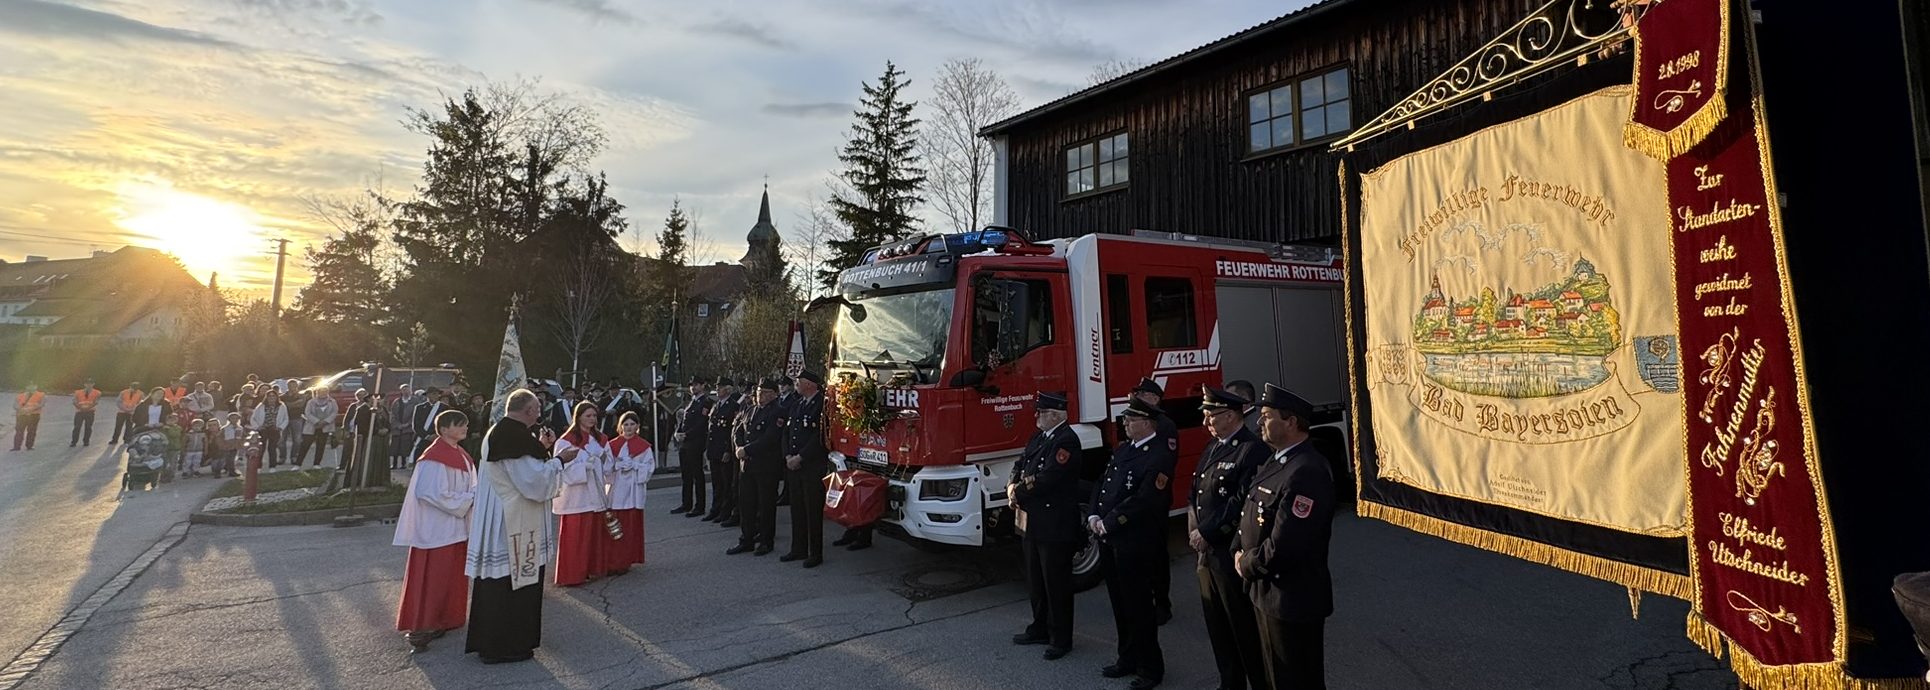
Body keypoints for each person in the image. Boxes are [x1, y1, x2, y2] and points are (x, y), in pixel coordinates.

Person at [1236, 384, 1336, 690]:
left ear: (1291, 422)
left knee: (1295, 679)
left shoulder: (1306, 470)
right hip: (1267, 593)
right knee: (1274, 676)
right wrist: (1238, 548)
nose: (1259, 422)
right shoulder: (1278, 459)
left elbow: (1287, 545)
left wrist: (1246, 564)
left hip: (1291, 599)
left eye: (1267, 416)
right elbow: (1249, 510)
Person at [465, 389, 563, 665]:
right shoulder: (514, 437)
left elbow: (521, 467)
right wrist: (559, 461)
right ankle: (503, 646)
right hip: (510, 523)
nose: (539, 414)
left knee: (496, 583)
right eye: (537, 409)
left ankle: (490, 642)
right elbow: (533, 483)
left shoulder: (501, 431)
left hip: (500, 515)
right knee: (510, 583)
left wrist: (542, 448)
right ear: (529, 411)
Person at [1090, 397, 1173, 690]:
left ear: (1147, 423)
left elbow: (1146, 499)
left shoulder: (1158, 456)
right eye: (1125, 419)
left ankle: (1150, 667)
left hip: (1134, 541)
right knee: (1120, 603)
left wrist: (1111, 521)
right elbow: (1102, 484)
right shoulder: (1124, 450)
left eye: (1130, 419)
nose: (1125, 423)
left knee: (1139, 606)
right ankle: (1127, 657)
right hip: (1110, 539)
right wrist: (1093, 514)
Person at [1191, 388, 1270, 690]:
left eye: (1211, 415)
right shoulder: (1213, 447)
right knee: (1218, 626)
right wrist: (1194, 526)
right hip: (1207, 554)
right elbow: (1197, 491)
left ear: (1231, 416)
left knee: (1243, 627)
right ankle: (1230, 683)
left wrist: (1208, 532)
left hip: (1229, 550)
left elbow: (1241, 502)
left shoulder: (1251, 450)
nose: (1206, 421)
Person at [1008, 391, 1085, 660]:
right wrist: (1011, 483)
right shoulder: (1039, 437)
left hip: (1054, 524)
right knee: (1036, 580)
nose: (1036, 416)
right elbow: (1021, 462)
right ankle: (1039, 627)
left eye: (1040, 412)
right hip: (1032, 522)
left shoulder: (1066, 441)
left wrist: (1018, 492)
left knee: (1056, 584)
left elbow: (1049, 478)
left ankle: (1061, 638)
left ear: (1055, 415)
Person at [395, 409, 476, 653]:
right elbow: (428, 492)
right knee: (434, 576)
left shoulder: (460, 454)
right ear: (443, 429)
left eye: (465, 424)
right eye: (459, 424)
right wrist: (467, 500)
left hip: (455, 525)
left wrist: (472, 497)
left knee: (450, 574)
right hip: (436, 527)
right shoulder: (433, 458)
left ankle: (446, 617)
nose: (465, 427)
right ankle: (424, 623)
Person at [1130, 376, 1179, 625]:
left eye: (1142, 394)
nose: (1137, 397)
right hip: (1139, 499)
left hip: (1156, 500)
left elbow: (1165, 464)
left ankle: (1162, 604)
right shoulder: (1139, 421)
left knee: (1157, 554)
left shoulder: (1165, 425)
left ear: (1155, 398)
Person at [551, 401, 612, 587]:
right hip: (576, 497)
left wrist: (602, 458)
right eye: (588, 416)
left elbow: (609, 465)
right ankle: (572, 574)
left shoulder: (601, 439)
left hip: (594, 493)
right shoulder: (566, 441)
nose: (592, 419)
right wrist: (586, 466)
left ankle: (591, 569)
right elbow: (562, 469)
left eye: (594, 416)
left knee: (592, 535)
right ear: (578, 417)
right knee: (575, 537)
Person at [726, 379, 783, 556]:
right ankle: (746, 539)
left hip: (765, 466)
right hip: (747, 465)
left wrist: (747, 449)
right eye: (758, 392)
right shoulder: (750, 409)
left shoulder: (777, 412)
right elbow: (738, 431)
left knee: (765, 506)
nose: (760, 395)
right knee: (746, 504)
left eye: (764, 392)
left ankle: (766, 541)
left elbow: (770, 438)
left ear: (773, 394)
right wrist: (739, 447)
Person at [780, 371, 830, 568]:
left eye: (799, 382)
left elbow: (820, 436)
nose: (796, 385)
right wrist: (787, 456)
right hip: (793, 464)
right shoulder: (797, 404)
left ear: (809, 384)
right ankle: (798, 548)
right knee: (797, 508)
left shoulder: (821, 405)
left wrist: (801, 457)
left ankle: (815, 552)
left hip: (811, 465)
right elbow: (787, 432)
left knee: (812, 510)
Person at [604, 411, 654, 571]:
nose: (629, 427)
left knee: (630, 526)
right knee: (615, 526)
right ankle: (613, 559)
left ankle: (626, 559)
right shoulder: (612, 445)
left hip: (633, 490)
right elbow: (605, 468)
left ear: (637, 426)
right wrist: (617, 465)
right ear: (620, 426)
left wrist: (635, 465)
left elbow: (649, 467)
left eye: (632, 424)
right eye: (626, 424)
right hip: (617, 489)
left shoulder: (644, 447)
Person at [704, 379, 742, 524]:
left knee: (726, 483)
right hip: (714, 448)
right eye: (717, 387)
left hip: (724, 449)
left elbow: (731, 431)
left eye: (720, 387)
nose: (718, 390)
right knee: (716, 482)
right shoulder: (716, 405)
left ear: (728, 389)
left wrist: (727, 450)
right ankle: (716, 509)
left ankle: (726, 511)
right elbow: (711, 428)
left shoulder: (733, 406)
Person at [671, 378, 710, 518]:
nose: (693, 387)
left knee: (697, 475)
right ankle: (686, 503)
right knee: (686, 475)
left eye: (696, 385)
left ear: (702, 386)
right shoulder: (691, 402)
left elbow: (702, 423)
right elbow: (683, 421)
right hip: (685, 443)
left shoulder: (705, 402)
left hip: (695, 442)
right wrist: (678, 432)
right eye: (691, 385)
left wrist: (687, 434)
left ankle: (699, 506)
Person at [298, 387, 339, 468]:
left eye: (325, 391)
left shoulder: (332, 401)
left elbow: (334, 412)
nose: (323, 393)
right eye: (321, 392)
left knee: (321, 446)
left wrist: (325, 421)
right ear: (317, 392)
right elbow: (307, 413)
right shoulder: (311, 402)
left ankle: (316, 464)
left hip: (325, 427)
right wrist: (316, 421)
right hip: (311, 426)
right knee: (305, 445)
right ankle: (298, 464)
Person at [249, 389, 289, 469]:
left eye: (273, 396)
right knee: (261, 448)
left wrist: (280, 427)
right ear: (266, 397)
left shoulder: (281, 406)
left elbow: (286, 418)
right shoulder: (261, 406)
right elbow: (253, 418)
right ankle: (258, 466)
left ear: (276, 397)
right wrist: (258, 427)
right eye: (269, 396)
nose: (271, 398)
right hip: (263, 429)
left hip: (274, 429)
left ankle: (272, 466)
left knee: (272, 448)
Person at [412, 389, 448, 465]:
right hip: (423, 438)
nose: (434, 396)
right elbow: (416, 425)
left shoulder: (445, 408)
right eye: (432, 394)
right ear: (427, 395)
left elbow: (446, 424)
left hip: (438, 438)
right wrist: (427, 436)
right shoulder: (419, 408)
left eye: (436, 394)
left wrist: (437, 435)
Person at [390, 386, 420, 469]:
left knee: (405, 446)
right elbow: (393, 414)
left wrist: (408, 424)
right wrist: (397, 424)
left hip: (408, 428)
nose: (406, 391)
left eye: (407, 389)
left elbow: (416, 414)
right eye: (404, 390)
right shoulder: (397, 402)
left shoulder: (414, 401)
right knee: (395, 446)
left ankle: (403, 463)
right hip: (397, 428)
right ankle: (394, 464)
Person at [12, 382, 44, 451]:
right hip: (21, 415)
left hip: (33, 415)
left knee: (32, 431)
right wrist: (21, 409)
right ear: (26, 387)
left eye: (33, 385)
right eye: (29, 385)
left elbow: (41, 404)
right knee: (19, 431)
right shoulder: (20, 395)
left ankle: (29, 446)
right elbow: (15, 405)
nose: (31, 387)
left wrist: (30, 409)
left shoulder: (41, 395)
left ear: (36, 386)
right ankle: (16, 447)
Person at [71, 379, 101, 447]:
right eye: (87, 383)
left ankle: (86, 441)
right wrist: (80, 408)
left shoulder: (97, 393)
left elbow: (96, 402)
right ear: (84, 384)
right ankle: (74, 442)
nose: (89, 385)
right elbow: (74, 401)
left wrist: (88, 408)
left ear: (93, 384)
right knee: (77, 427)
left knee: (88, 427)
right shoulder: (78, 392)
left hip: (90, 412)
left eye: (90, 383)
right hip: (79, 412)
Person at [214, 413, 243, 477]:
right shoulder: (225, 428)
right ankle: (217, 472)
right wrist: (222, 444)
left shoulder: (240, 428)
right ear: (229, 419)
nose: (235, 420)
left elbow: (241, 437)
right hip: (226, 445)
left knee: (232, 459)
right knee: (223, 460)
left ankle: (231, 471)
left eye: (236, 418)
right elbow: (219, 437)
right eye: (233, 418)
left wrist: (240, 444)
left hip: (235, 445)